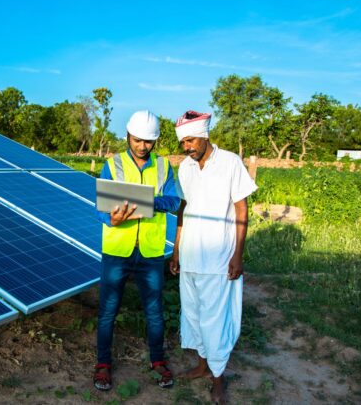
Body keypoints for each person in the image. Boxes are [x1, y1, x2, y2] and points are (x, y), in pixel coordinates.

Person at [169, 110, 257, 404]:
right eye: (183, 142)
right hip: (191, 255)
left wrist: (237, 254)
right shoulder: (186, 168)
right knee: (193, 314)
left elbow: (242, 210)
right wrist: (176, 250)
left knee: (215, 320)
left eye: (191, 141)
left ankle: (218, 378)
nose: (187, 147)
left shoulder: (230, 162)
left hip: (219, 257)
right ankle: (203, 367)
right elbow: (183, 209)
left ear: (205, 136)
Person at [93, 110, 180, 391]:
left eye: (149, 142)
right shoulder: (112, 164)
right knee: (107, 311)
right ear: (128, 136)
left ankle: (157, 361)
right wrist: (112, 219)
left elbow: (174, 201)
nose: (143, 146)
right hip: (117, 249)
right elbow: (102, 208)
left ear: (155, 141)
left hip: (151, 252)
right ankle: (103, 364)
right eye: (137, 140)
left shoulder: (165, 167)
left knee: (154, 311)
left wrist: (149, 202)